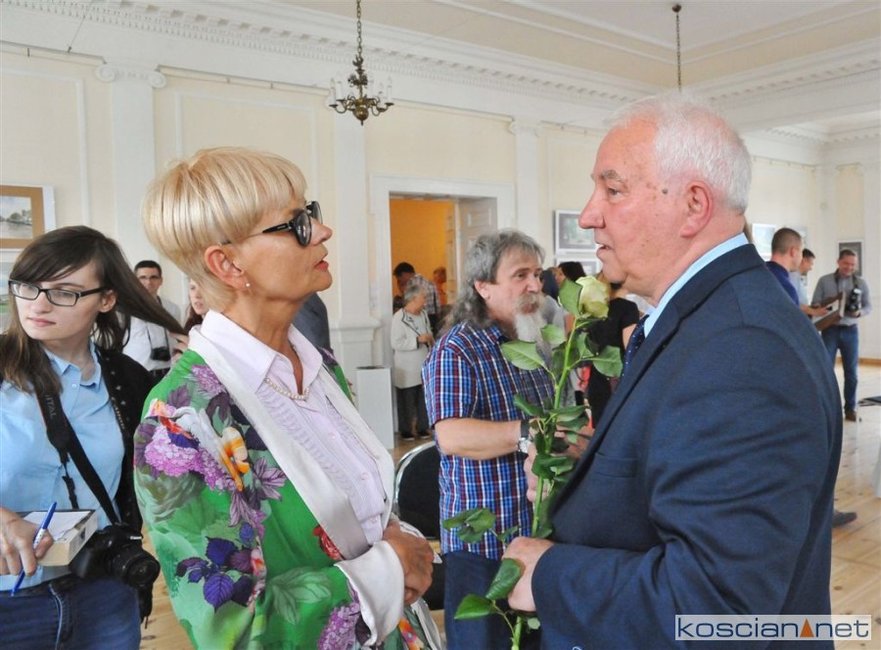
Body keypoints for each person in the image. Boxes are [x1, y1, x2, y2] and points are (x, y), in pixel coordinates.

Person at [503, 94, 842, 648]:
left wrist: (550, 576)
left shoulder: (743, 348)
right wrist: (601, 472)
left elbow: (718, 611)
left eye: (613, 190)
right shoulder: (714, 318)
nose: (589, 215)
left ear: (693, 206)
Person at [134, 146, 440, 649]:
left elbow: (357, 511)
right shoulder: (182, 421)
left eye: (311, 212)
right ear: (227, 263)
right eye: (296, 224)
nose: (322, 231)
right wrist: (389, 568)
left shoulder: (319, 367)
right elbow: (232, 631)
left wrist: (395, 541)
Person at [0, 226, 181, 648]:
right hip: (9, 601)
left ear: (107, 300)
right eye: (28, 286)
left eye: (64, 292)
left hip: (103, 590)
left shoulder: (127, 379)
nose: (38, 304)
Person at [422, 229, 554, 649]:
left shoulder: (533, 344)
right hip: (483, 539)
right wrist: (527, 433)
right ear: (483, 287)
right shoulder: (458, 349)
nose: (534, 285)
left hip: (534, 531)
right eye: (520, 275)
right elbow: (450, 435)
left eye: (537, 274)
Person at [812, 248, 872, 423]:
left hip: (851, 330)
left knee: (851, 373)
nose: (849, 267)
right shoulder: (824, 281)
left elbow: (868, 306)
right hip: (829, 329)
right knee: (826, 371)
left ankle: (850, 409)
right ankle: (826, 409)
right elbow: (815, 303)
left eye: (853, 265)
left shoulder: (861, 283)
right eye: (846, 263)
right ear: (838, 262)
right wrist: (831, 303)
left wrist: (859, 312)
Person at [585, 271, 639, 428]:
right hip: (617, 378)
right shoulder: (627, 308)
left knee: (600, 428)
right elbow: (631, 348)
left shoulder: (594, 310)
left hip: (596, 378)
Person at [124, 260, 184, 383]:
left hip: (169, 372)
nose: (148, 282)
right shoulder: (126, 309)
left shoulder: (172, 308)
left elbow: (177, 338)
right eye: (143, 278)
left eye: (153, 277)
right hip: (138, 372)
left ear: (161, 280)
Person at [391, 285, 434, 441]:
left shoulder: (423, 314)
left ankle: (423, 427)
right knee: (407, 399)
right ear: (414, 298)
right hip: (406, 366)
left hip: (423, 362)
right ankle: (406, 429)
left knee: (424, 397)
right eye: (423, 297)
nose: (425, 301)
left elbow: (428, 331)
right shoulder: (399, 317)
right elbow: (395, 343)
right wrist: (417, 340)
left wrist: (430, 339)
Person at [393, 262, 441, 332]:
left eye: (399, 279)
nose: (400, 281)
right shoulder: (430, 283)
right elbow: (438, 306)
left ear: (404, 274)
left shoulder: (411, 284)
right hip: (433, 319)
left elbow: (409, 305)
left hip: (419, 319)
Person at [765, 227, 803, 304]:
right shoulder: (787, 290)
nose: (801, 257)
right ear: (793, 252)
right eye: (801, 251)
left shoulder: (756, 275)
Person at [791, 248, 827, 317]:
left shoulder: (798, 278)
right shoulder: (793, 277)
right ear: (804, 261)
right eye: (811, 264)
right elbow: (792, 301)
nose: (811, 268)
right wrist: (814, 312)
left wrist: (812, 308)